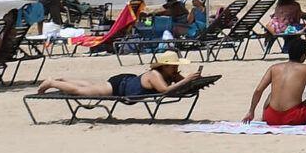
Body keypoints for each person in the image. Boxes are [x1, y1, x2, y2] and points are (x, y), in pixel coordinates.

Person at [245, 35, 306, 127]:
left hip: (270, 118)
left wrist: (251, 111)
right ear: (303, 56)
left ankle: (263, 118)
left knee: (272, 94)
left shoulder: (274, 68)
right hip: (292, 118)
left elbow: (258, 90)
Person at [35, 53, 199, 100]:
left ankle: (64, 79)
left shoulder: (169, 74)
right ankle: (52, 82)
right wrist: (186, 79)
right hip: (119, 86)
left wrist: (183, 78)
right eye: (173, 66)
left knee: (90, 86)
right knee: (81, 92)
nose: (176, 68)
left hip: (127, 82)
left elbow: (179, 85)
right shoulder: (155, 74)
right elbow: (164, 90)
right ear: (164, 66)